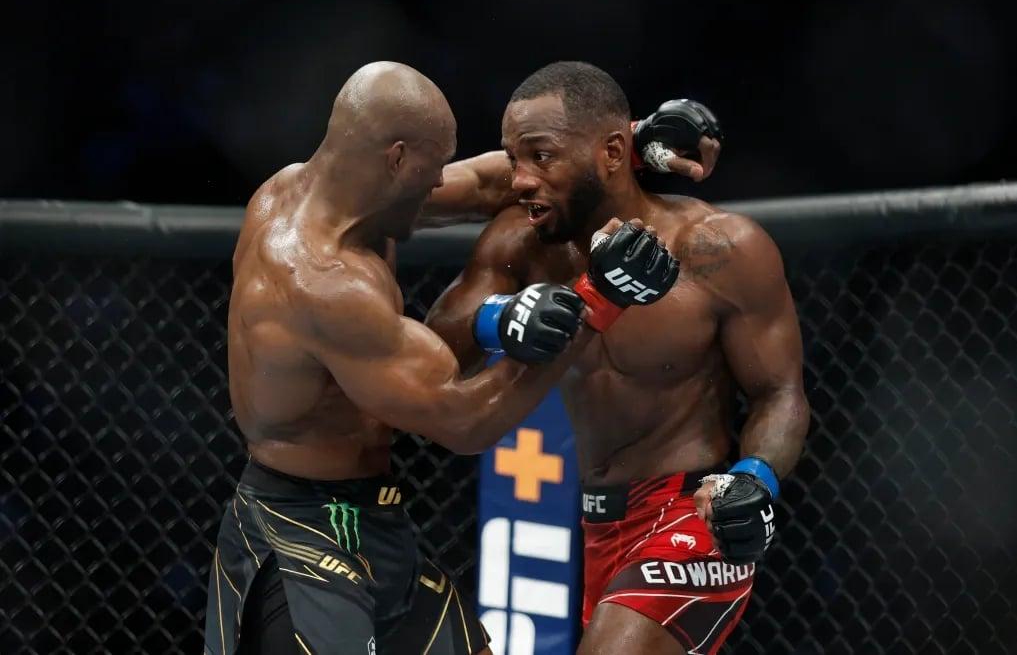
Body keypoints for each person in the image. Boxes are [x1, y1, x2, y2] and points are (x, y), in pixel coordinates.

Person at [203, 61, 682, 655]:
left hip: (374, 520)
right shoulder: (322, 281)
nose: (439, 185)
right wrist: (597, 301)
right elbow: (464, 420)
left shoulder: (317, 188)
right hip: (302, 532)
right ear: (397, 159)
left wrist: (630, 144)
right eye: (432, 171)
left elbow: (486, 185)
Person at [425, 61, 810, 654]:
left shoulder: (718, 248)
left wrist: (754, 478)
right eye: (512, 159)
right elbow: (436, 348)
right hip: (598, 523)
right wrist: (499, 317)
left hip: (691, 514)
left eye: (541, 157)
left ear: (611, 153)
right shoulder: (523, 244)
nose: (519, 180)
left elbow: (779, 393)